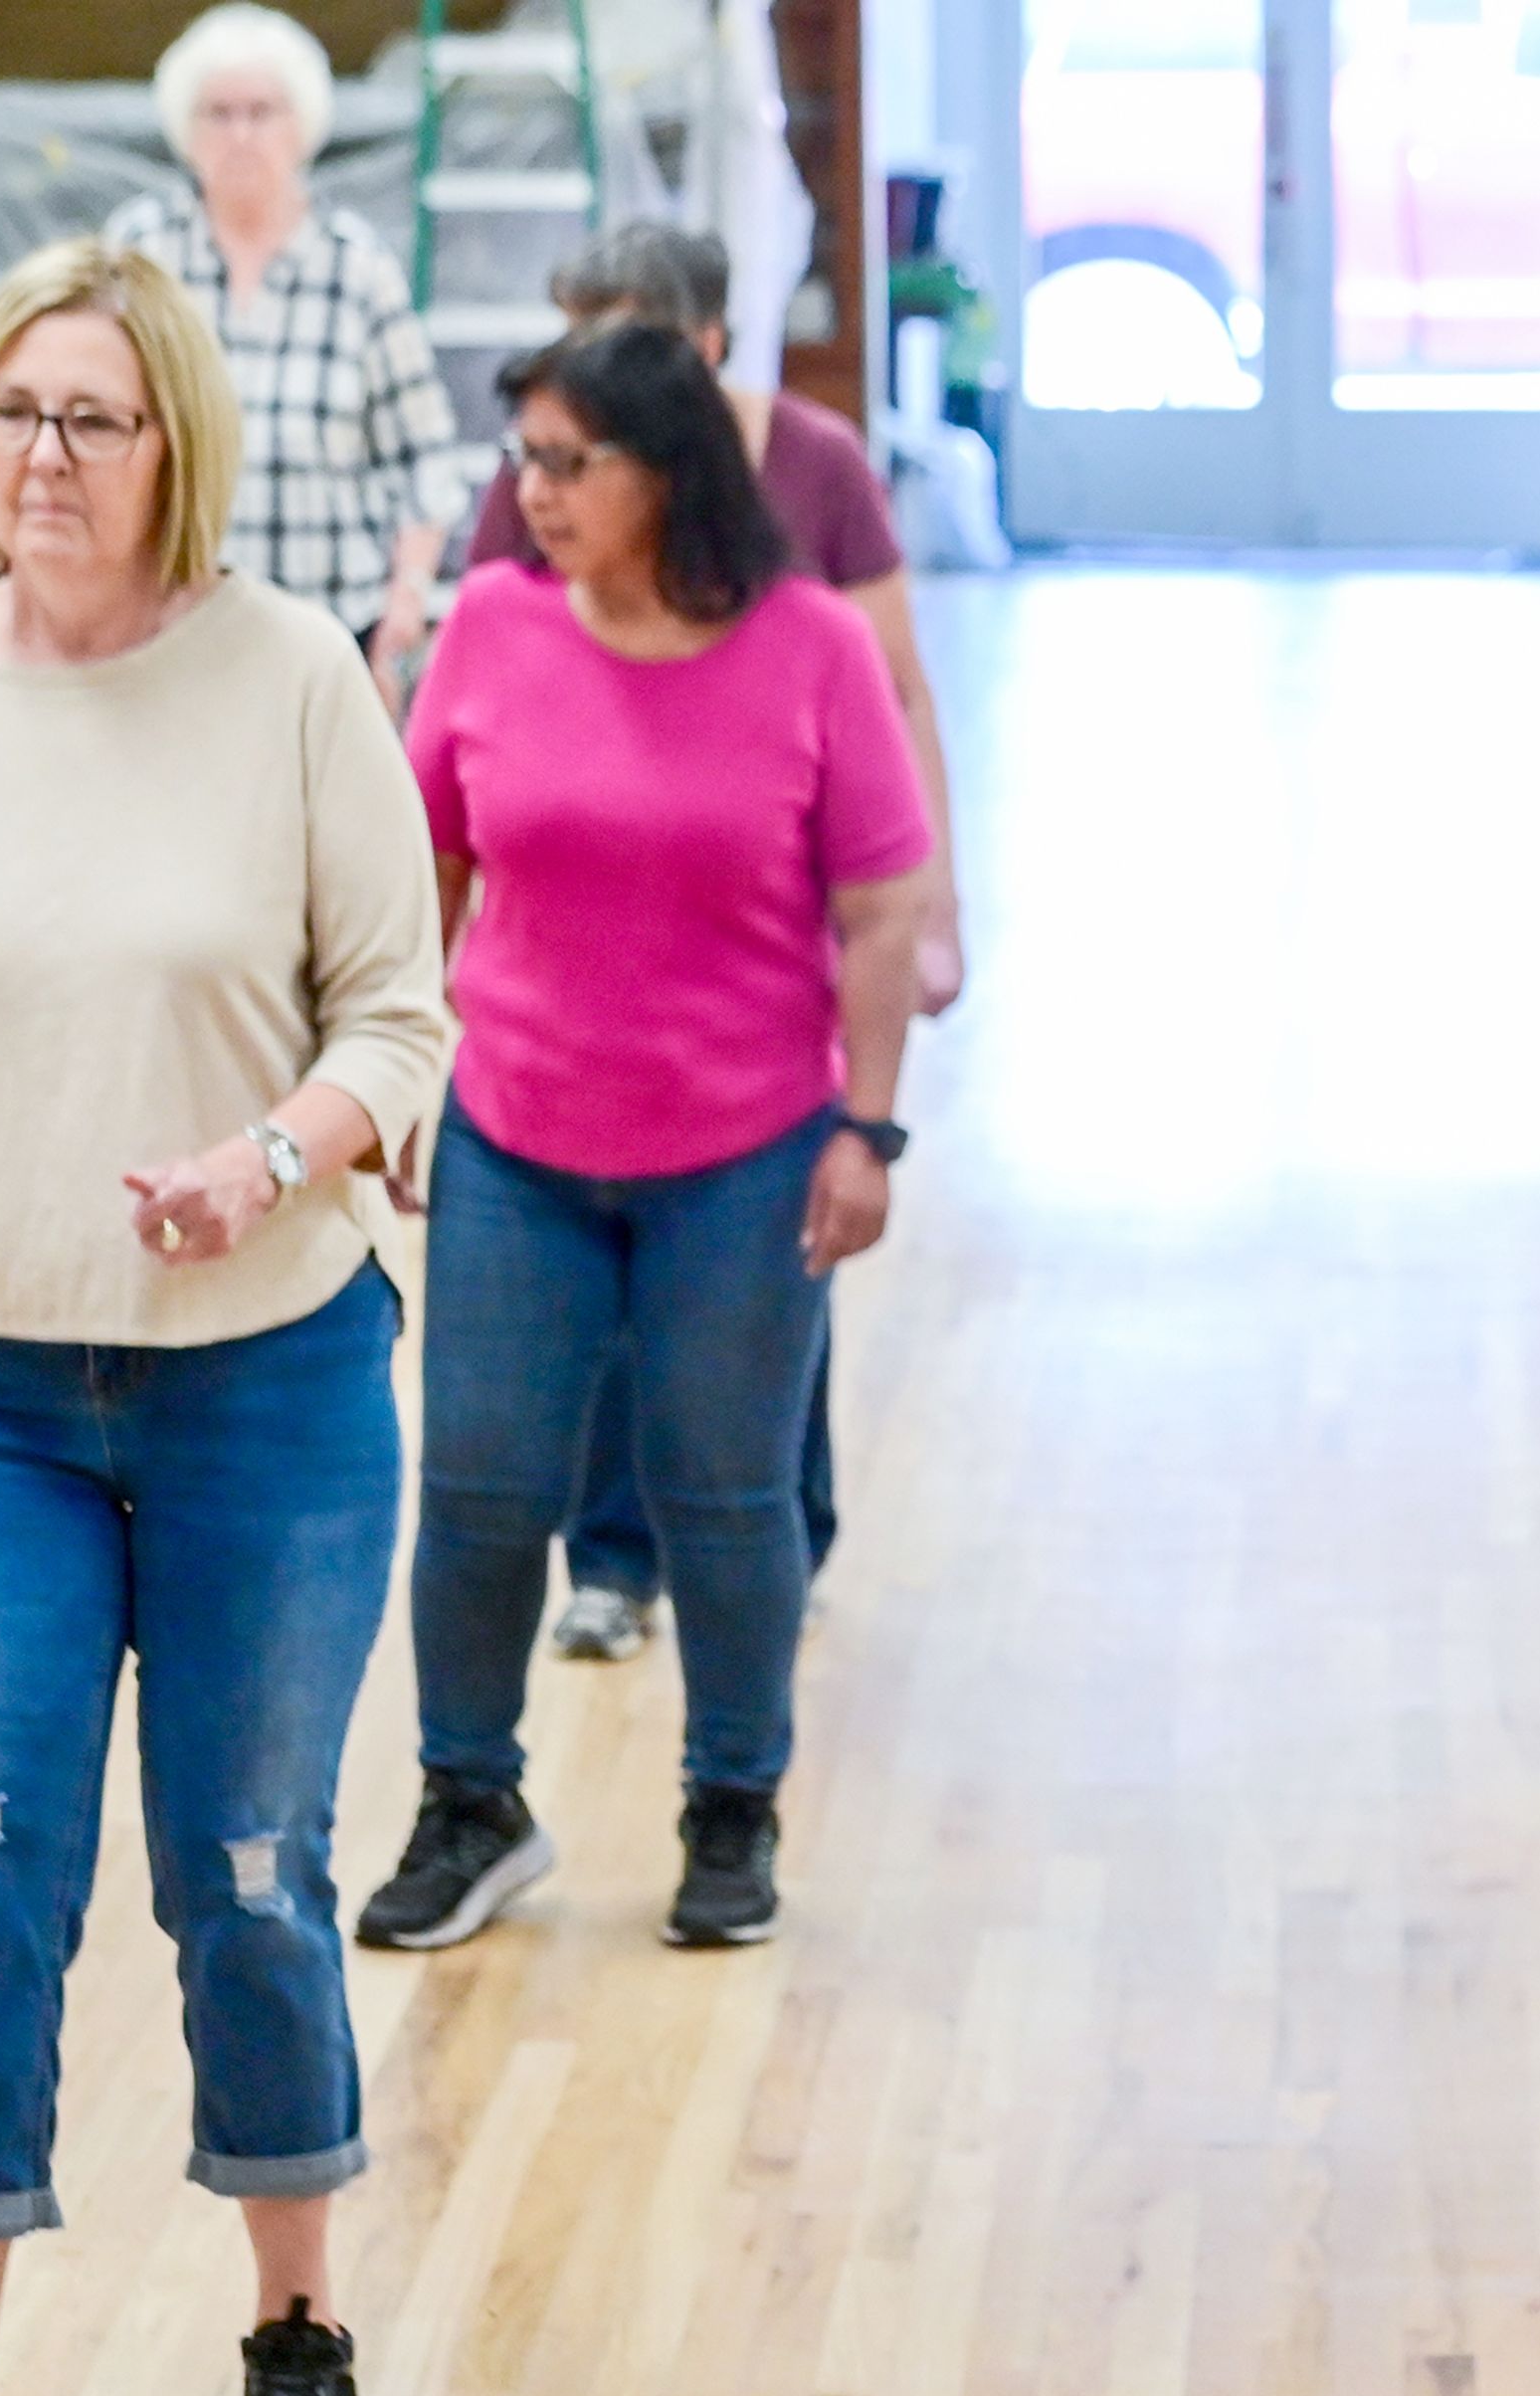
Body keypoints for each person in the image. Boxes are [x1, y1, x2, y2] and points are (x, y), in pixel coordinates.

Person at [0, 241, 448, 2396]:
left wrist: (269, 1157)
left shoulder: (291, 678)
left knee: (257, 1877)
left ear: (174, 436)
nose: (41, 458)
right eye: (12, 411)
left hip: (270, 1388)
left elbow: (401, 1018)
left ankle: (297, 2335)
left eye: (91, 417)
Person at [360, 321, 931, 1955]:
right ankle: (471, 1800)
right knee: (476, 1491)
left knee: (725, 1495)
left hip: (743, 1155)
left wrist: (868, 1130)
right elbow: (429, 876)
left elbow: (882, 909)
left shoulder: (810, 645)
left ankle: (730, 1805)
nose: (528, 494)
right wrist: (402, 1077)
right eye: (520, 460)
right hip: (516, 1140)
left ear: (665, 469)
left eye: (565, 461)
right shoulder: (489, 627)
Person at [466, 223, 969, 1665]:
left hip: (771, 937)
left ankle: (769, 1542)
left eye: (615, 340)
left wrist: (937, 901)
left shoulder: (812, 466)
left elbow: (899, 685)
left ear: (697, 350)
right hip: (595, 940)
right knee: (608, 1305)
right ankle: (616, 1559)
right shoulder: (549, 489)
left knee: (748, 1304)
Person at [105, 5, 462, 685]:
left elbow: (426, 458)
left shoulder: (357, 266)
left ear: (302, 125)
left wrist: (404, 604)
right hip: (165, 626)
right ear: (186, 128)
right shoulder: (140, 253)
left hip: (329, 633)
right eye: (218, 112)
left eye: (261, 111)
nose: (240, 134)